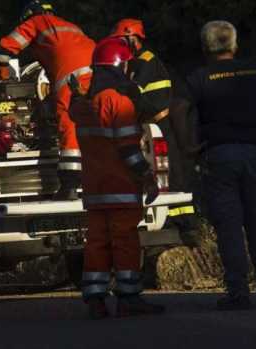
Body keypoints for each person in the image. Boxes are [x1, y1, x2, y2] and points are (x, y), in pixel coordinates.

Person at [176, 21, 256, 310]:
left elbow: (178, 108)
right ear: (235, 45)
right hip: (254, 153)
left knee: (229, 226)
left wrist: (188, 147)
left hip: (219, 156)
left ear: (205, 48)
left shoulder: (199, 77)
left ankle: (238, 292)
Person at [68, 37, 164, 319]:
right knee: (124, 241)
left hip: (95, 190)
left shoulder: (82, 106)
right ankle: (129, 297)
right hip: (120, 187)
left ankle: (95, 299)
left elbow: (75, 108)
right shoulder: (117, 101)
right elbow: (128, 149)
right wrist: (146, 176)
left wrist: (75, 94)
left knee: (96, 243)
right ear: (120, 67)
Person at [109, 18, 199, 248]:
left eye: (122, 40)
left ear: (134, 38)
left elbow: (134, 92)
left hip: (162, 123)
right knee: (165, 174)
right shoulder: (138, 61)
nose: (119, 45)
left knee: (174, 174)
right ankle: (177, 221)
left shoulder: (144, 61)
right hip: (154, 124)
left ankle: (187, 226)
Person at [0, 0, 95, 200]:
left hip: (72, 80)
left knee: (70, 127)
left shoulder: (36, 22)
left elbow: (4, 52)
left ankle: (70, 186)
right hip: (98, 76)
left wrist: (3, 81)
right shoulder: (70, 25)